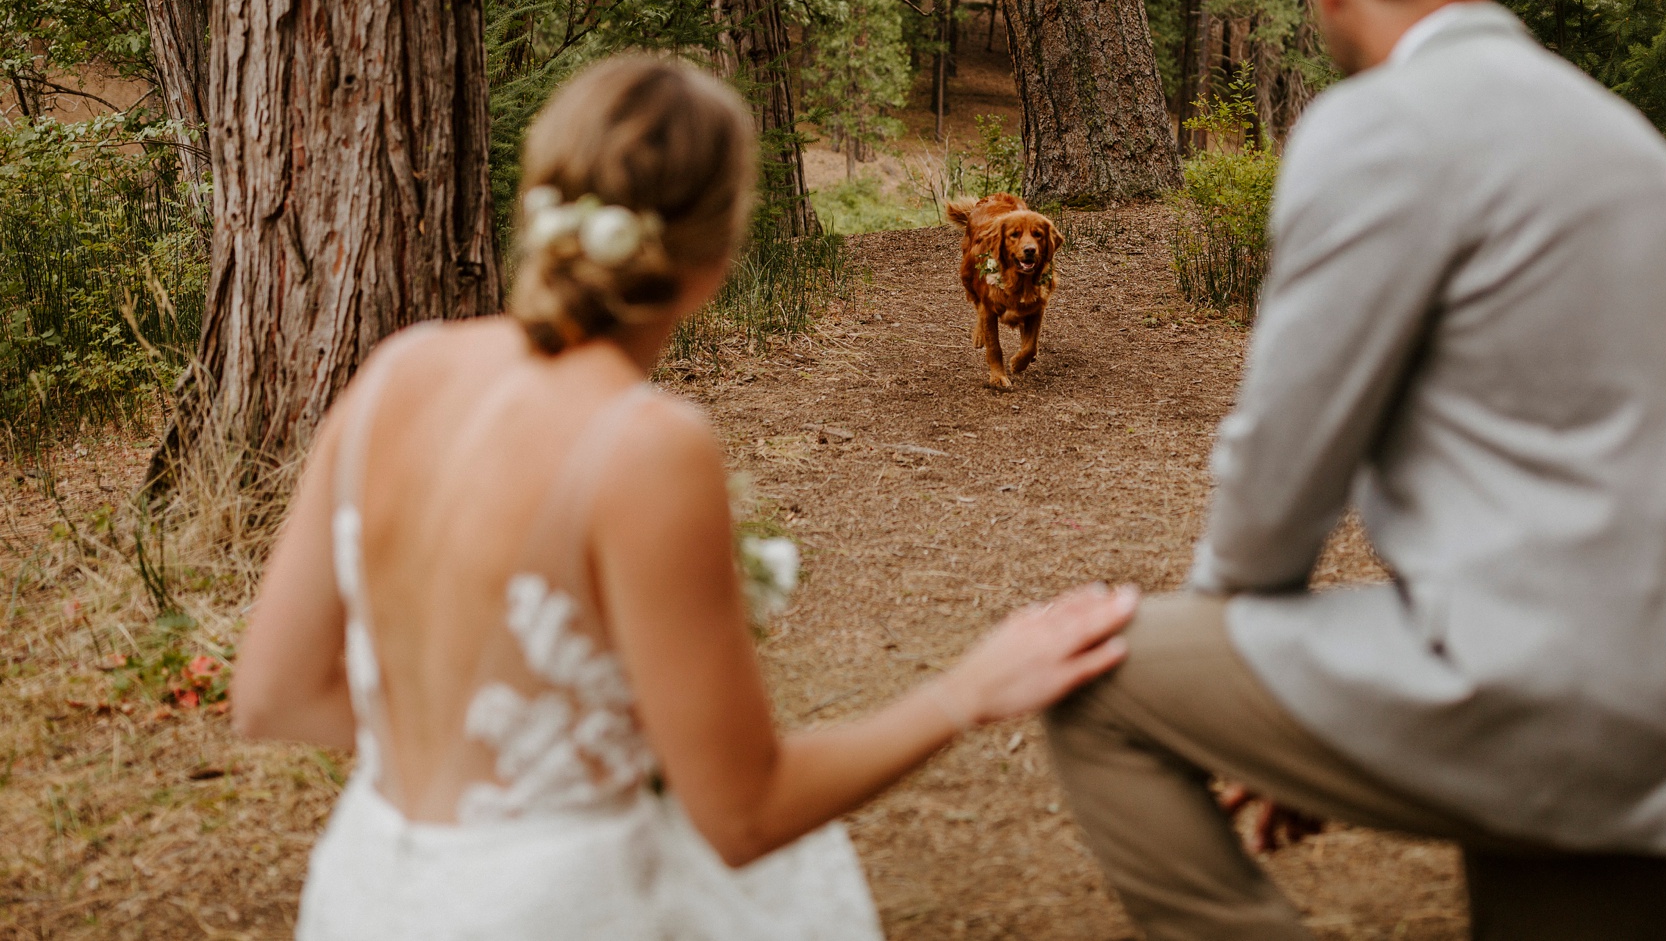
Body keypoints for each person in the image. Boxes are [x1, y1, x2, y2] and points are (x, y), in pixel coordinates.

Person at [1042, 0, 1666, 941]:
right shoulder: (1644, 158)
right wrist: (1294, 717)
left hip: (1538, 687)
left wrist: (1247, 705)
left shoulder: (1378, 128)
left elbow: (1282, 468)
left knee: (1095, 685)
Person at [232, 56, 1139, 940]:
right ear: (715, 256)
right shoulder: (644, 445)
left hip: (365, 893)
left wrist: (501, 755)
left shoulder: (399, 371)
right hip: (560, 906)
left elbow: (271, 695)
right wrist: (969, 689)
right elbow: (744, 814)